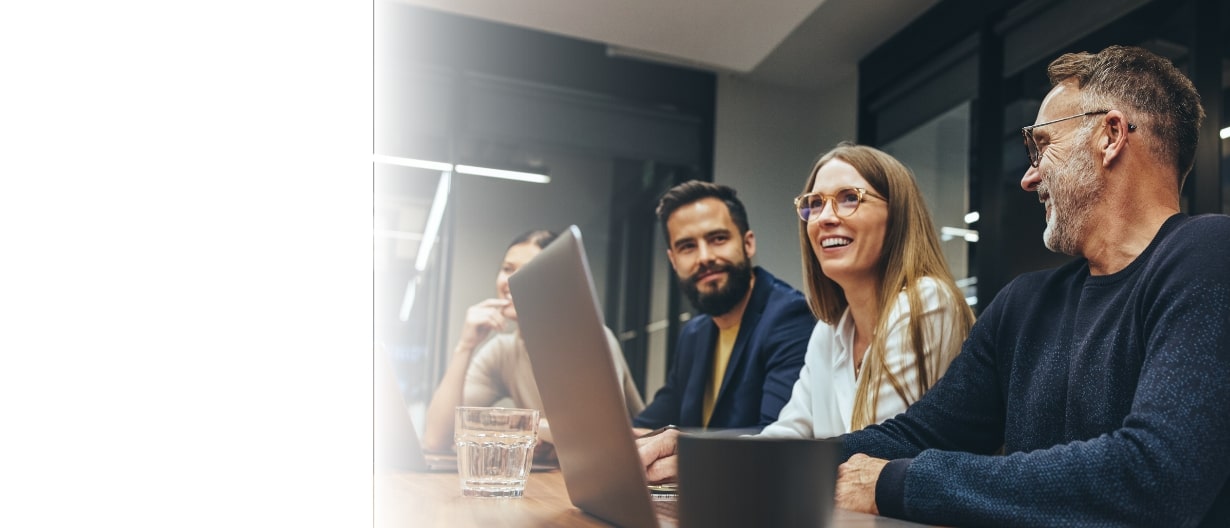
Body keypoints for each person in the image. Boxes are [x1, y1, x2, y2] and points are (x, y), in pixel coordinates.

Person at [833, 45, 1230, 526]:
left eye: (1042, 146)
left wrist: (899, 483)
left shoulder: (1209, 255)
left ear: (1110, 136)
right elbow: (920, 434)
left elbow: (1156, 477)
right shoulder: (1024, 305)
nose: (1028, 177)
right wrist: (786, 465)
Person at [637, 144, 975, 483]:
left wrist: (709, 461)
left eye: (849, 198)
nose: (825, 217)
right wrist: (697, 453)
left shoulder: (927, 301)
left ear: (898, 214)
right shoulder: (830, 330)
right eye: (814, 203)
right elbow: (788, 432)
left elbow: (875, 455)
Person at [422, 229, 645, 453]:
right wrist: (465, 346)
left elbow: (596, 437)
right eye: (507, 269)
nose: (510, 281)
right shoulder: (503, 350)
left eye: (526, 271)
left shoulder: (593, 340)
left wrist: (521, 427)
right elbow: (435, 439)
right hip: (554, 480)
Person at [632, 181, 814, 432]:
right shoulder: (694, 334)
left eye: (717, 238)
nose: (704, 257)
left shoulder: (790, 318)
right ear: (673, 261)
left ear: (748, 243)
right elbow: (650, 424)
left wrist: (677, 449)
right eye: (687, 247)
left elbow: (776, 438)